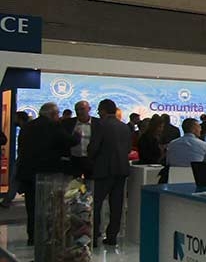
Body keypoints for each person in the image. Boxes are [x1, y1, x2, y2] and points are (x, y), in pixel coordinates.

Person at [14, 103, 78, 245]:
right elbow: (69, 141)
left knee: (31, 207)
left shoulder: (28, 126)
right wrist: (78, 135)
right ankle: (46, 237)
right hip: (47, 173)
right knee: (47, 207)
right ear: (53, 114)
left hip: (28, 173)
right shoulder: (53, 126)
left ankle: (32, 236)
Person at [88, 99, 133, 246]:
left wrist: (90, 158)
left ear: (103, 110)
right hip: (121, 169)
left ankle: (94, 236)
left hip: (103, 169)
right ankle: (112, 236)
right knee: (117, 205)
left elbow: (94, 147)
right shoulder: (124, 127)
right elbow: (128, 149)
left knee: (96, 204)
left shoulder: (99, 125)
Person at [61, 100, 100, 180]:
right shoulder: (67, 123)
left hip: (91, 160)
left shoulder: (98, 123)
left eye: (82, 109)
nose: (79, 112)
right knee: (73, 184)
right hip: (73, 160)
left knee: (91, 183)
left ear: (89, 109)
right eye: (77, 110)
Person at [1, 111, 31, 208]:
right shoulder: (27, 129)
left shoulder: (25, 130)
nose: (13, 120)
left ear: (20, 119)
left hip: (23, 159)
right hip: (24, 159)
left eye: (15, 118)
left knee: (15, 179)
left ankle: (8, 200)